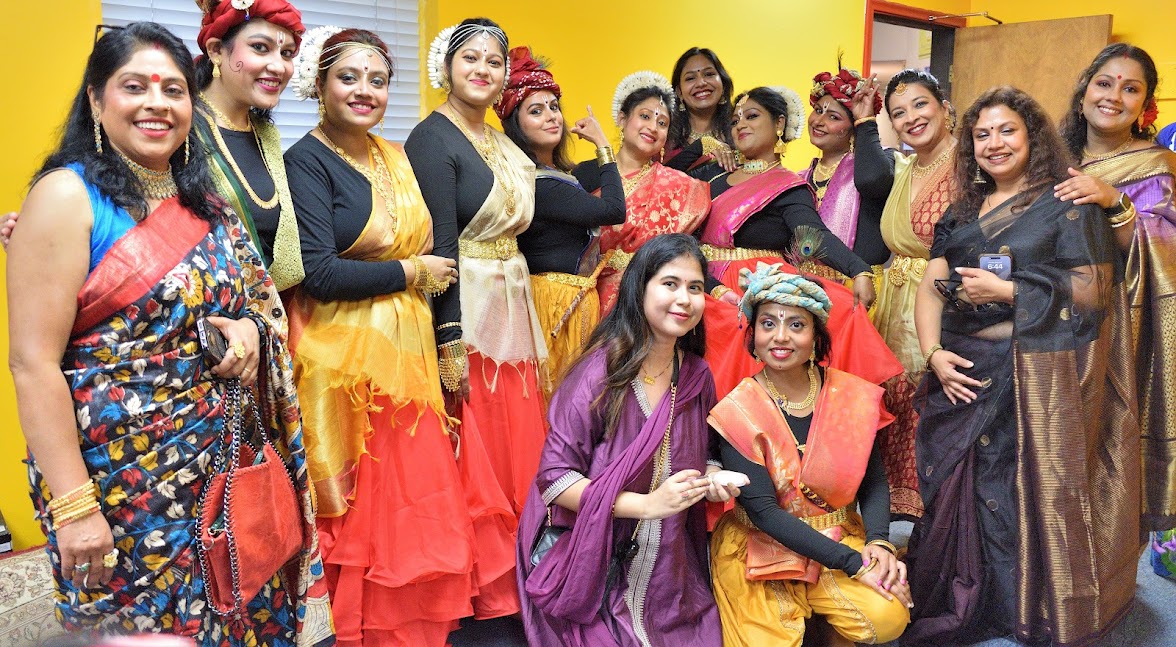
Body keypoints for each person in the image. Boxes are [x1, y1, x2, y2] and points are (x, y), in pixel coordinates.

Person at [7, 22, 331, 645]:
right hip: (119, 482)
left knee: (239, 616)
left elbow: (258, 305)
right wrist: (75, 507)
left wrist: (248, 331)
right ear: (97, 99)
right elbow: (32, 364)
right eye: (135, 86)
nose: (156, 103)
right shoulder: (66, 198)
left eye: (173, 89)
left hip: (223, 466)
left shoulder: (205, 201)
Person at [282, 27, 513, 645]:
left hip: (409, 353)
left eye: (378, 80)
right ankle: (360, 629)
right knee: (366, 506)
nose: (364, 91)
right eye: (348, 78)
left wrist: (446, 332)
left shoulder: (395, 154)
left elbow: (442, 245)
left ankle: (411, 627)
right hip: (347, 360)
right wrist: (412, 272)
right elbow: (319, 273)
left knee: (412, 504)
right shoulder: (306, 161)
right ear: (320, 85)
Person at [907, 86, 1138, 645]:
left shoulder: (1065, 202)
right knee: (953, 484)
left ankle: (1017, 607)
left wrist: (1009, 291)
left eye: (1007, 130)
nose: (994, 143)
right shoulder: (962, 210)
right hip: (960, 364)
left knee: (1011, 488)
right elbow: (933, 283)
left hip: (1031, 374)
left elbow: (1092, 293)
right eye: (982, 134)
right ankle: (962, 594)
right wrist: (934, 354)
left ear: (1032, 135)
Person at [517, 233, 729, 647]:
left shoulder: (696, 375)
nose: (684, 299)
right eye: (670, 284)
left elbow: (706, 451)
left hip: (670, 569)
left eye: (695, 287)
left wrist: (713, 477)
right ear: (640, 288)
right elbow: (556, 481)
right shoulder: (601, 374)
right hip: (590, 564)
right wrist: (648, 505)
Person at [405, 22, 548, 615]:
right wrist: (449, 337)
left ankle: (529, 570)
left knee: (519, 439)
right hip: (466, 305)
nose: (483, 69)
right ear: (446, 67)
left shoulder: (503, 141)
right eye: (470, 58)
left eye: (494, 60)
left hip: (514, 303)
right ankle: (482, 587)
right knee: (477, 441)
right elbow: (440, 243)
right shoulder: (431, 137)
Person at [709, 263, 910, 647]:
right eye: (768, 324)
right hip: (760, 547)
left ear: (817, 336)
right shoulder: (738, 409)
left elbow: (873, 480)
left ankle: (829, 624)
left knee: (888, 616)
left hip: (837, 531)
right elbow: (764, 513)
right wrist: (855, 566)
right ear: (753, 336)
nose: (780, 336)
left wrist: (880, 543)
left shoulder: (849, 396)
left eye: (796, 325)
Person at [1053, 43, 1176, 578]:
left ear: (1145, 106)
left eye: (1131, 89)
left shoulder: (1156, 165)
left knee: (1100, 449)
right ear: (1084, 91)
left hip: (1116, 334)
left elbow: (1168, 251)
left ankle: (1096, 582)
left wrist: (1114, 201)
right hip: (1037, 320)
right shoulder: (1049, 156)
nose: (1114, 96)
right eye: (1105, 83)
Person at [692, 86, 895, 398]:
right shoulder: (714, 175)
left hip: (752, 288)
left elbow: (813, 235)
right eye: (734, 120)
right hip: (701, 284)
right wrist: (702, 146)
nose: (740, 124)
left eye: (752, 116)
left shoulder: (788, 185)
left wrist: (859, 270)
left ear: (779, 124)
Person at [856, 69, 958, 519]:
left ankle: (936, 523)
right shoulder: (903, 166)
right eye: (898, 113)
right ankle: (896, 516)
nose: (911, 118)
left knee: (929, 406)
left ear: (944, 108)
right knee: (890, 404)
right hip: (893, 300)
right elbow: (866, 177)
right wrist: (864, 118)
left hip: (941, 301)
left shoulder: (968, 165)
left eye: (920, 105)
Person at [497, 46, 626, 392]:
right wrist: (602, 144)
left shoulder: (559, 175)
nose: (551, 116)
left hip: (569, 300)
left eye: (554, 107)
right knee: (559, 401)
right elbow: (614, 210)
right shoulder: (540, 185)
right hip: (554, 304)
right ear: (516, 126)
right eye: (536, 111)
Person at [193, 0, 306, 291]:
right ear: (216, 51)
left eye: (287, 53)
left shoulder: (266, 135)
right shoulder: (184, 130)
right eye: (260, 47)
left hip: (270, 310)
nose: (278, 66)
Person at [588, 71, 710, 313]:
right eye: (645, 116)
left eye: (662, 123)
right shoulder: (585, 174)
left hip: (646, 300)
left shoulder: (678, 187)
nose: (653, 127)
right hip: (589, 295)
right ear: (622, 118)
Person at [798, 66, 890, 285]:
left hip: (859, 286)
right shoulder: (800, 178)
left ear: (853, 127)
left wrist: (866, 122)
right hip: (807, 287)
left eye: (833, 117)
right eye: (818, 110)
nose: (819, 121)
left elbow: (873, 180)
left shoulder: (873, 166)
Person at [664, 48, 737, 173]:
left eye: (709, 74)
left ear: (724, 85)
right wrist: (701, 146)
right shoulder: (664, 136)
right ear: (679, 92)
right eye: (690, 78)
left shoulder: (739, 131)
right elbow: (656, 178)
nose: (701, 83)